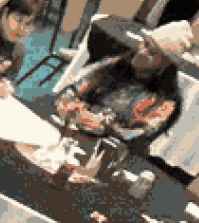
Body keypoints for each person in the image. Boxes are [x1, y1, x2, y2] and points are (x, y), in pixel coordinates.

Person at [52, 23, 187, 146]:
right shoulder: (113, 66)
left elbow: (136, 136)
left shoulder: (164, 102)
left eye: (151, 53)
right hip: (72, 132)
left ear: (164, 66)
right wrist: (71, 107)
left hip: (107, 150)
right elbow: (72, 91)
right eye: (145, 44)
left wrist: (102, 124)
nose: (141, 51)